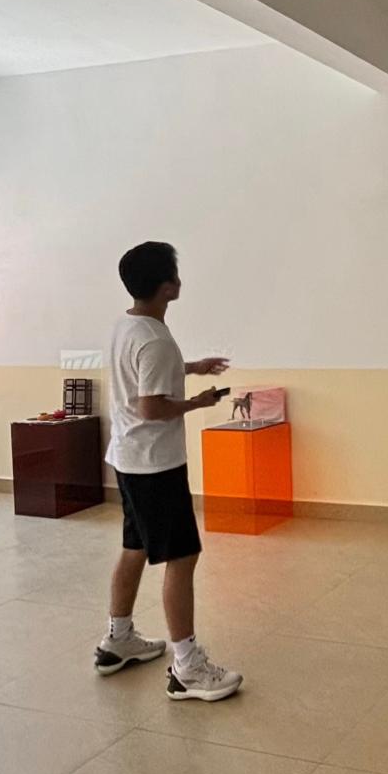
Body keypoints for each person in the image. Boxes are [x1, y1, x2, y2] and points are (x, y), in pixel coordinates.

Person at [94, 241, 244, 702]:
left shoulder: (129, 325)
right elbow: (151, 406)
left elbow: (144, 375)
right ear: (167, 287)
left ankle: (118, 640)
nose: (180, 280)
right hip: (155, 465)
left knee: (135, 547)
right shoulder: (155, 339)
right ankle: (187, 667)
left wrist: (193, 367)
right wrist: (197, 403)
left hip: (128, 458)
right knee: (182, 557)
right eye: (175, 274)